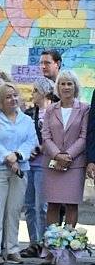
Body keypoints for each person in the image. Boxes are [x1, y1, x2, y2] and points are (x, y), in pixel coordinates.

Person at [0, 83, 38, 265]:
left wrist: (18, 155)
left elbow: (31, 141)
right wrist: (7, 157)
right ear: (0, 101)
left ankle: (12, 249)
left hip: (20, 170)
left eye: (15, 96)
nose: (13, 99)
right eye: (8, 97)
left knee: (14, 211)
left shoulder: (26, 120)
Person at [41, 71, 89, 231]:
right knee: (53, 204)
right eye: (62, 83)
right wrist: (57, 155)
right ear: (58, 87)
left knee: (71, 204)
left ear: (75, 87)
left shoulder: (84, 109)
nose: (66, 87)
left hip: (74, 164)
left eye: (70, 83)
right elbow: (45, 135)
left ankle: (68, 246)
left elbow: (84, 136)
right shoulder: (50, 110)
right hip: (53, 164)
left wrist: (68, 155)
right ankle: (53, 245)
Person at [23, 77, 53, 256]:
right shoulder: (28, 113)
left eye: (35, 90)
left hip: (44, 164)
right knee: (29, 205)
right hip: (29, 162)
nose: (32, 94)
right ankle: (33, 242)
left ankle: (45, 242)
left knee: (42, 205)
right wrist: (28, 149)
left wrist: (43, 147)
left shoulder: (53, 112)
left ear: (43, 92)